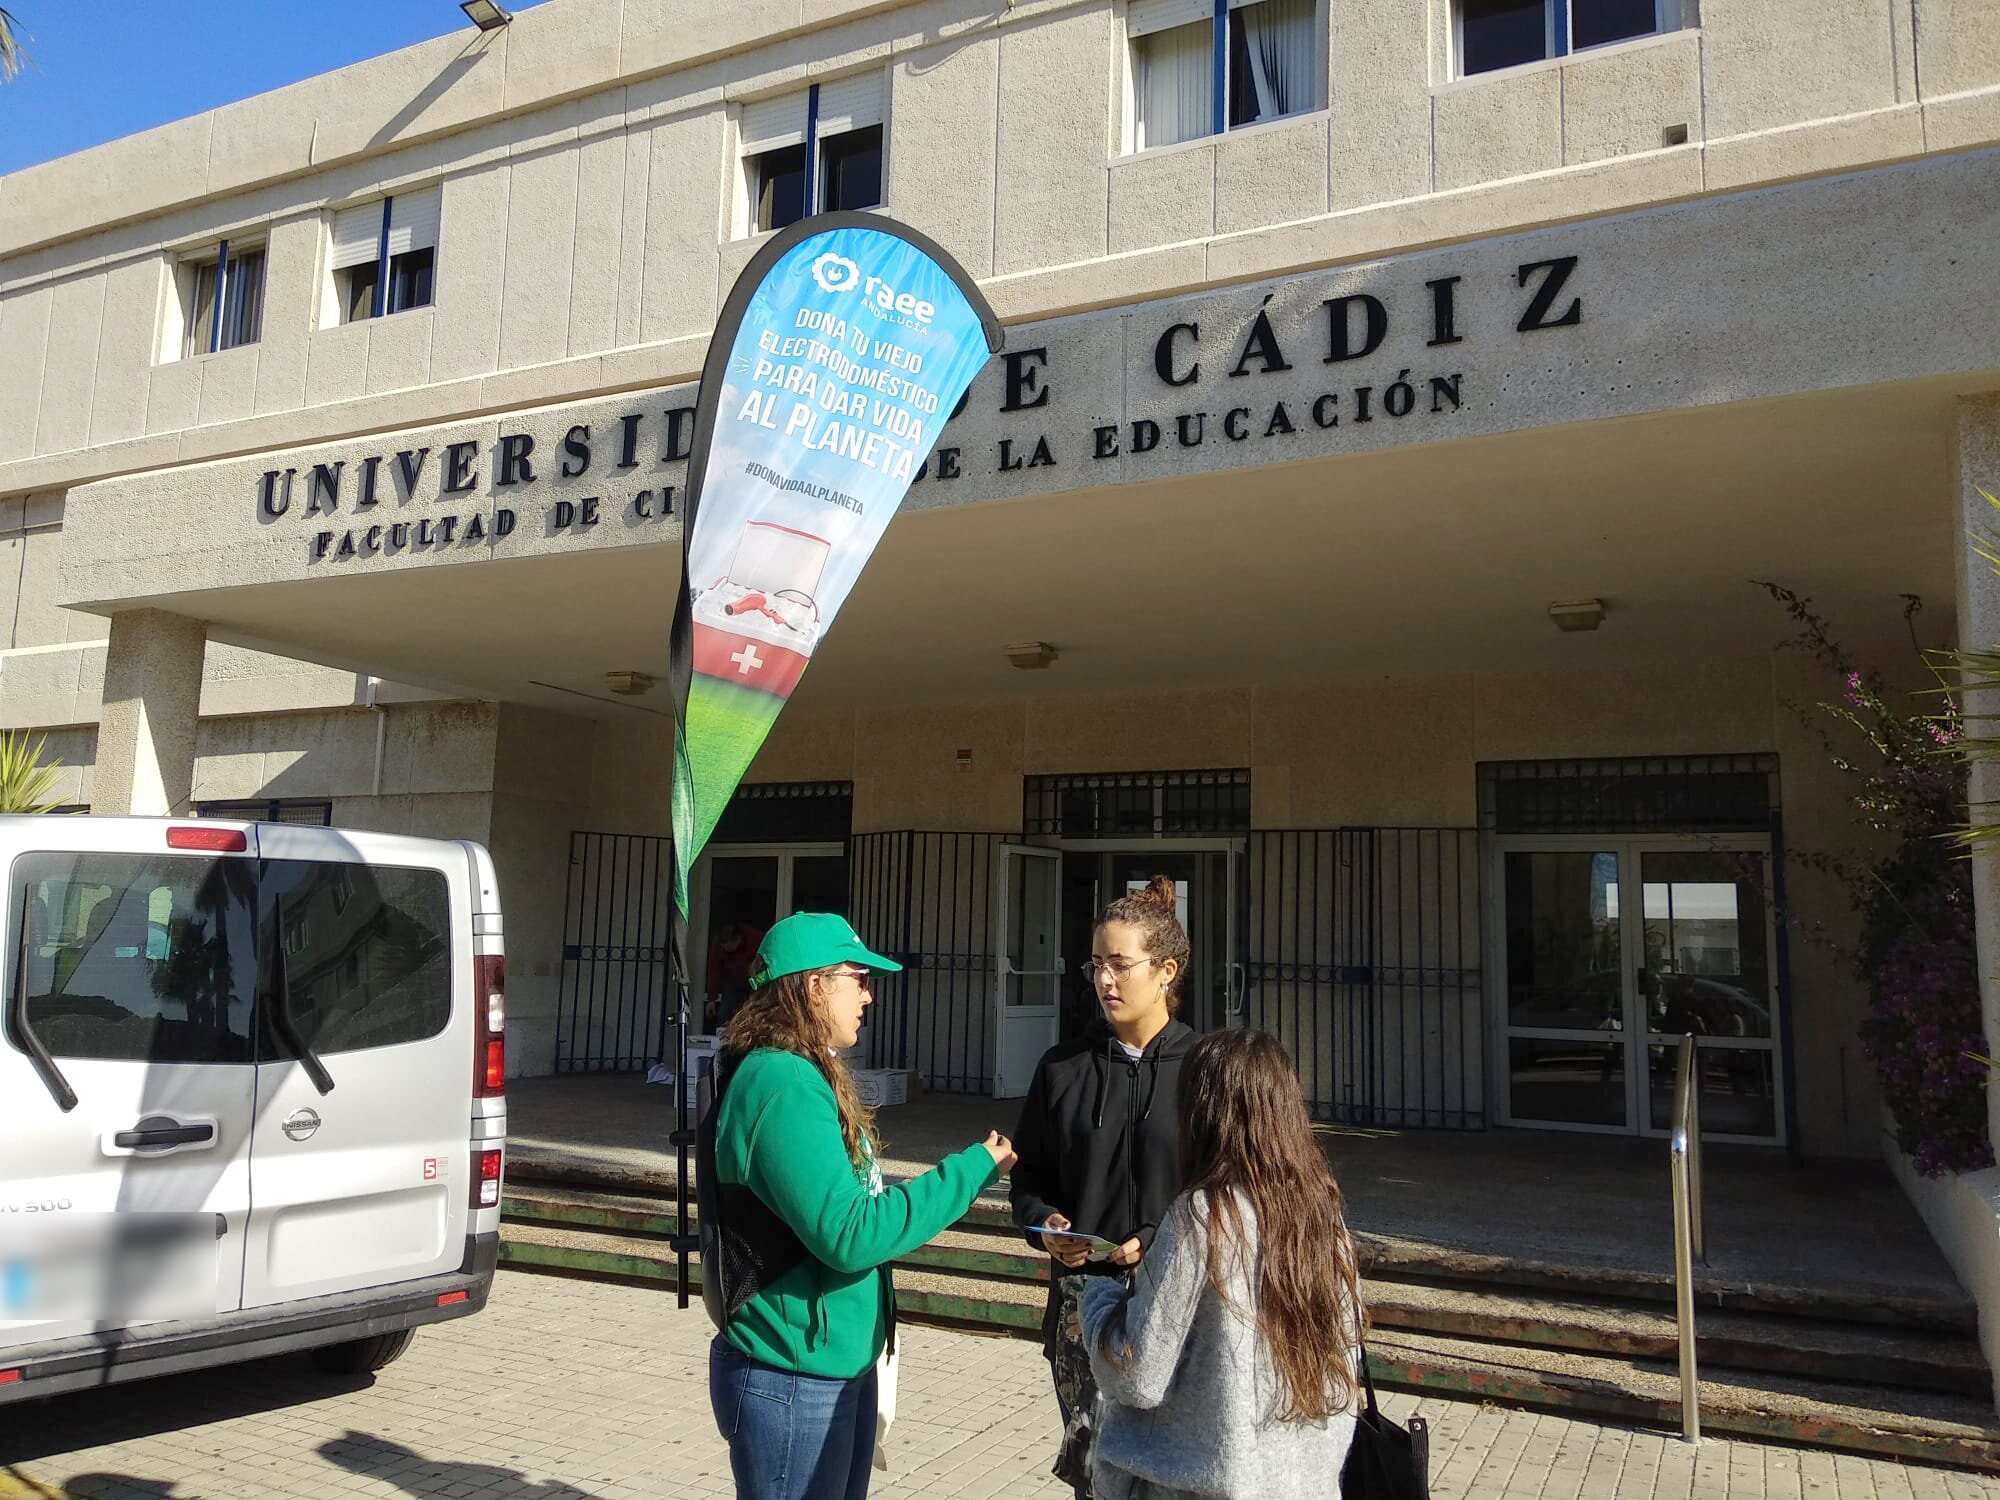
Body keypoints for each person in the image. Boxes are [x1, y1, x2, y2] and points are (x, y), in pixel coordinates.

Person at [705, 912, 1018, 1500]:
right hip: (793, 1375)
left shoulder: (801, 1072)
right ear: (814, 985)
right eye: (858, 977)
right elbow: (851, 1232)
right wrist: (970, 1169)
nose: (869, 994)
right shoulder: (782, 1083)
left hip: (829, 1364)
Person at [1076, 1029, 1363, 1500]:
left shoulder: (1204, 1214)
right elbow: (1343, 1367)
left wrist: (1101, 1296)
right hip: (1305, 1483)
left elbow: (1138, 1374)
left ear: (1204, 1112)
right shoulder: (1323, 1216)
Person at [1009, 875, 1197, 1496]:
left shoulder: (1208, 1072)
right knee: (1096, 1475)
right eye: (1096, 965)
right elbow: (1029, 1178)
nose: (1104, 981)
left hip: (1183, 1307)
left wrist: (1159, 1237)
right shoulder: (1061, 1068)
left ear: (1166, 970)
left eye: (1120, 964)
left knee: (1173, 1476)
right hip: (1083, 1311)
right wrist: (1046, 1227)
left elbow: (1227, 1192)